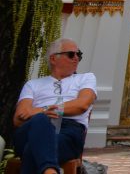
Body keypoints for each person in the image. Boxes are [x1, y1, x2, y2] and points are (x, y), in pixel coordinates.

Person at [13, 38, 96, 174]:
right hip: (32, 128)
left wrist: (42, 110)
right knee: (40, 121)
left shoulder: (86, 78)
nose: (76, 58)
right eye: (71, 54)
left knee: (32, 148)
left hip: (68, 130)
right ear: (53, 59)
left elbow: (82, 105)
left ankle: (49, 170)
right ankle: (50, 170)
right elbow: (18, 119)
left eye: (78, 54)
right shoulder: (33, 84)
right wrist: (42, 116)